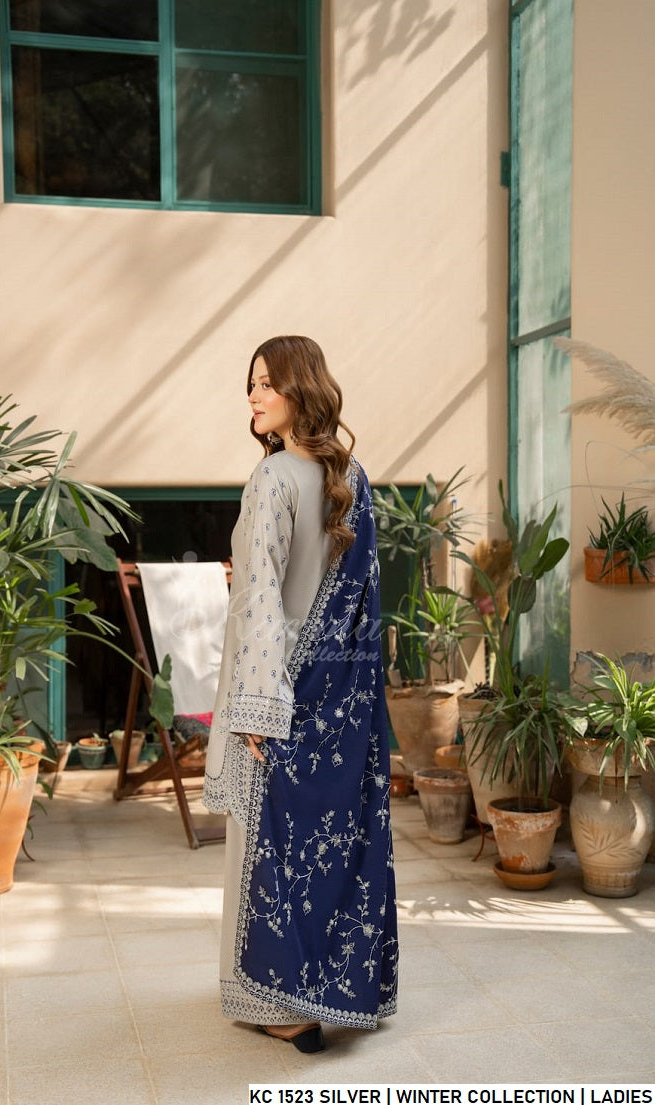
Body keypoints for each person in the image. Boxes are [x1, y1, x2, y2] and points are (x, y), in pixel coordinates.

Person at [203, 336, 398, 1054]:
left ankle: (279, 1004)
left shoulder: (273, 478)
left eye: (267, 383)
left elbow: (258, 597)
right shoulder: (355, 479)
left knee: (265, 849)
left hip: (278, 688)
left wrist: (257, 705)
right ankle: (328, 990)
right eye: (250, 384)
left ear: (300, 389)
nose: (253, 396)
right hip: (341, 697)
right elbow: (364, 604)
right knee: (331, 853)